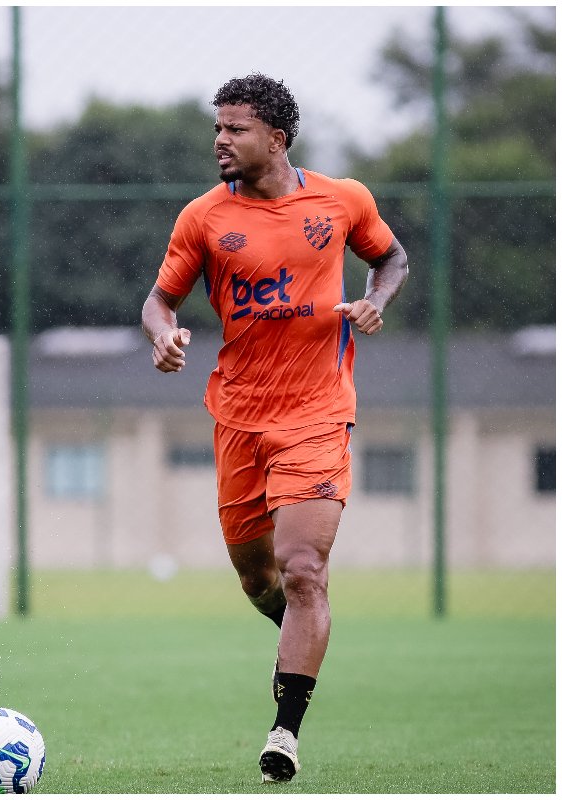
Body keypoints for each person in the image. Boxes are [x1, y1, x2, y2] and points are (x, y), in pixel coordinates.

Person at [141, 73, 409, 783]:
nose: (220, 141)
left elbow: (391, 256)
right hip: (239, 417)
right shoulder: (202, 217)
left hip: (318, 412)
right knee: (259, 577)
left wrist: (376, 300)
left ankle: (284, 733)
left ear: (277, 138)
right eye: (218, 128)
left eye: (235, 129)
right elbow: (159, 300)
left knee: (302, 569)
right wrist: (162, 336)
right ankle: (300, 635)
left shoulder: (343, 199)